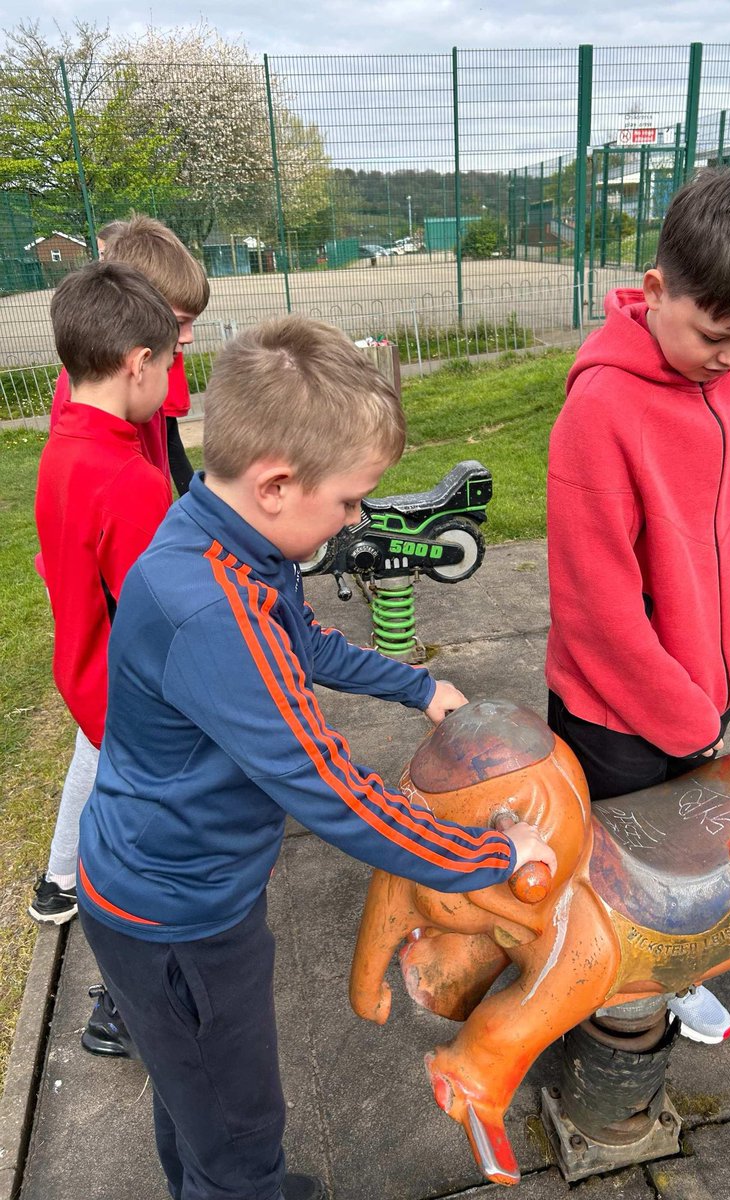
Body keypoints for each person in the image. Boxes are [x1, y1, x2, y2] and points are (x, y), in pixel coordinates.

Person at [76, 315, 555, 1200]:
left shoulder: (224, 543)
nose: (358, 518)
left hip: (155, 887)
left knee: (195, 1094)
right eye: (348, 501)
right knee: (236, 1116)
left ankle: (222, 1182)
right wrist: (493, 855)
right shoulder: (215, 610)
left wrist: (418, 689)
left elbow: (303, 644)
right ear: (277, 483)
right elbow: (332, 788)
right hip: (180, 919)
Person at [545, 166, 730, 1044]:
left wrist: (724, 674)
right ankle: (606, 993)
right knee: (621, 877)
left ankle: (672, 969)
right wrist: (682, 718)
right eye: (715, 334)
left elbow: (727, 535)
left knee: (689, 866)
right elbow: (596, 609)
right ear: (655, 291)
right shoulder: (600, 410)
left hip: (703, 692)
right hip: (618, 715)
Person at [29, 261, 178, 934]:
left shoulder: (62, 449)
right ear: (138, 363)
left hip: (85, 681)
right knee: (159, 856)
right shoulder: (130, 478)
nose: (174, 384)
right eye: (172, 366)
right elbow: (166, 620)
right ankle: (127, 988)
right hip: (135, 709)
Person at [47, 214, 208, 491]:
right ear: (137, 306)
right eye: (180, 322)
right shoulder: (102, 393)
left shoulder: (137, 386)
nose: (189, 337)